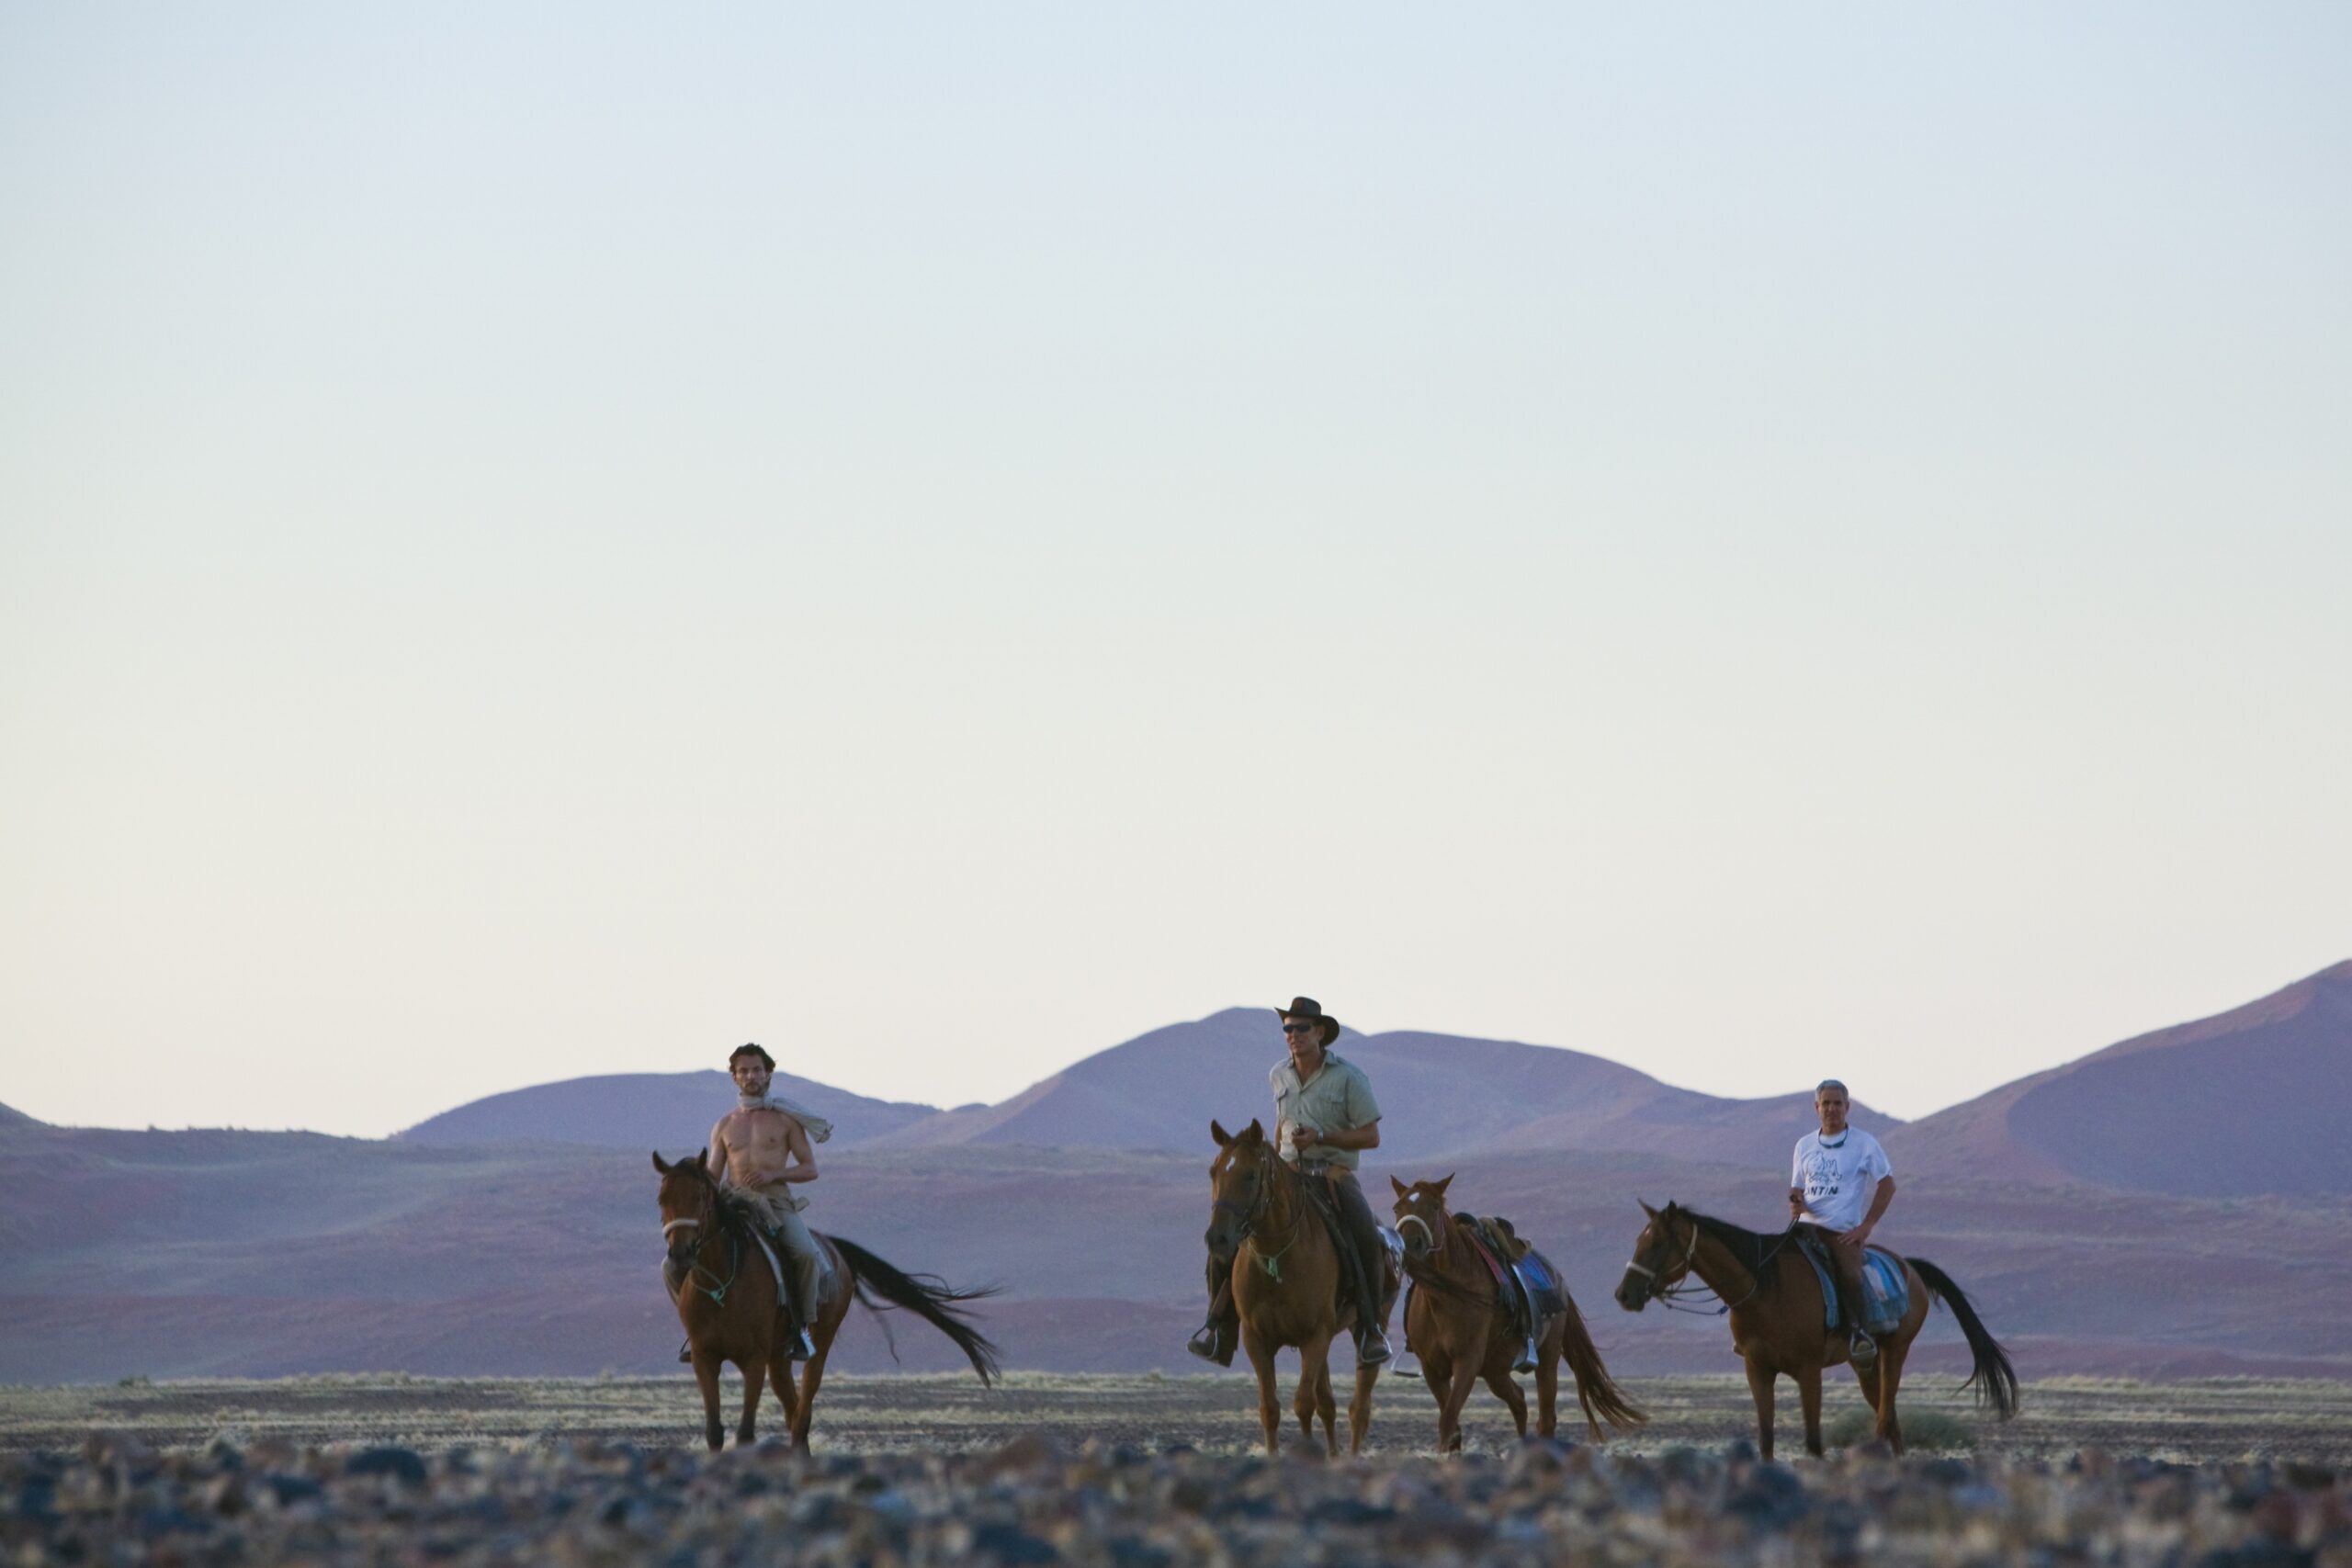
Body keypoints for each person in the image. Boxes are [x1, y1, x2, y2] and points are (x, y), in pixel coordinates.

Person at [1190, 997, 1394, 1367]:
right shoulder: (1278, 1074)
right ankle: (1219, 1328)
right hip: (1287, 1175)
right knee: (1227, 1235)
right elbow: (1281, 1125)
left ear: (1320, 1033)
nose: (1293, 1035)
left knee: (1365, 1234)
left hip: (1334, 1175)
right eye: (1288, 1029)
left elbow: (1370, 1136)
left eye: (1301, 1028)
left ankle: (1369, 1330)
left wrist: (1321, 1137)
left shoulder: (1349, 1077)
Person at [700, 1043, 831, 1359]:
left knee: (806, 1255)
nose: (750, 1076)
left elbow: (810, 1169)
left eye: (757, 1069)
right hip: (734, 1204)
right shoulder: (724, 1125)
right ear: (734, 1077)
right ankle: (699, 1332)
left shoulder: (786, 1121)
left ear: (768, 1073)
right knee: (682, 1259)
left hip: (776, 1203)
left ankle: (802, 1330)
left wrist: (774, 1175)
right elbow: (712, 1176)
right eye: (743, 1071)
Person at [1787, 1077, 1896, 1366]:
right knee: (1772, 1262)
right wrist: (1795, 1199)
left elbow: (1887, 1184)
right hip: (1805, 1227)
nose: (1832, 1109)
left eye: (1838, 1104)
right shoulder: (1804, 1145)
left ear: (1847, 1107)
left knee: (1849, 1275)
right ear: (1816, 1107)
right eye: (1826, 1103)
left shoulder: (1864, 1143)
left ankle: (1859, 1334)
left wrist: (1866, 1226)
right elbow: (1797, 1186)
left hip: (1841, 1231)